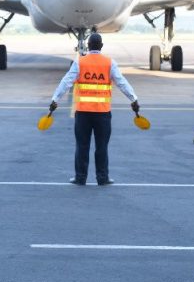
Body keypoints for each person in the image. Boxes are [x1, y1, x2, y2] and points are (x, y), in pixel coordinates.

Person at [49, 33, 140, 186]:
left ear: (88, 46)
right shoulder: (109, 63)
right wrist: (134, 99)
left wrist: (55, 100)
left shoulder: (80, 62)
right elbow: (122, 83)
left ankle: (80, 178)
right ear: (101, 46)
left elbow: (66, 82)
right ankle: (102, 178)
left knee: (82, 146)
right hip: (102, 114)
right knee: (102, 147)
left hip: (83, 113)